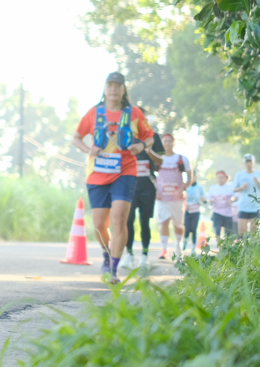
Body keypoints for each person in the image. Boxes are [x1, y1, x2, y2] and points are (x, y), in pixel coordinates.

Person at [71, 71, 154, 284]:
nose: (114, 89)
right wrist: (88, 150)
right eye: (110, 85)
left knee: (119, 219)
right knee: (100, 224)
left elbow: (149, 137)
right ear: (105, 88)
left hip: (125, 172)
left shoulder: (134, 113)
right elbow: (76, 137)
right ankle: (106, 254)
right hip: (97, 174)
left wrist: (140, 146)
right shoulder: (94, 112)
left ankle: (114, 269)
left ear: (124, 89)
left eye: (118, 85)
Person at [123, 132, 160, 269]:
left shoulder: (152, 138)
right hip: (130, 188)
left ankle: (144, 255)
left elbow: (161, 162)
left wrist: (150, 152)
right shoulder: (125, 137)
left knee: (145, 222)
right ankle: (129, 254)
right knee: (128, 221)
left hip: (147, 189)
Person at [153, 133, 190, 260]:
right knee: (163, 222)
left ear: (174, 143)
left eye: (170, 141)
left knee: (178, 224)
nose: (167, 143)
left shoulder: (181, 159)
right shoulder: (158, 158)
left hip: (177, 197)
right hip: (162, 197)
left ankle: (179, 246)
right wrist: (156, 190)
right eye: (165, 141)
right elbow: (152, 175)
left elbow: (190, 175)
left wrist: (184, 189)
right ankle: (164, 250)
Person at [233, 153, 260, 235]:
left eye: (250, 162)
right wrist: (241, 188)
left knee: (254, 233)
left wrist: (259, 182)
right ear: (244, 163)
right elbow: (234, 189)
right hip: (243, 207)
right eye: (247, 162)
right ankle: (242, 243)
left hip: (255, 207)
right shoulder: (239, 175)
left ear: (253, 162)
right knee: (241, 232)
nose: (249, 164)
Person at [207, 170, 237, 248]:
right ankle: (220, 248)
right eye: (218, 177)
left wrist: (232, 200)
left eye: (222, 177)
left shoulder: (230, 187)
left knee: (228, 234)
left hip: (228, 214)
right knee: (217, 231)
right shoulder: (213, 188)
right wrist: (210, 201)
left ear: (226, 178)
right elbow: (208, 198)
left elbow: (236, 196)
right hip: (217, 213)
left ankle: (226, 248)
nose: (220, 179)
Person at [183, 173, 207, 253]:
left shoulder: (200, 187)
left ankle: (193, 248)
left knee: (193, 229)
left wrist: (204, 199)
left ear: (195, 177)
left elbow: (204, 198)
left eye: (193, 177)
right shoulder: (186, 186)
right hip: (187, 210)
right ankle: (185, 242)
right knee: (187, 229)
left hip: (196, 211)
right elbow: (182, 197)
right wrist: (184, 204)